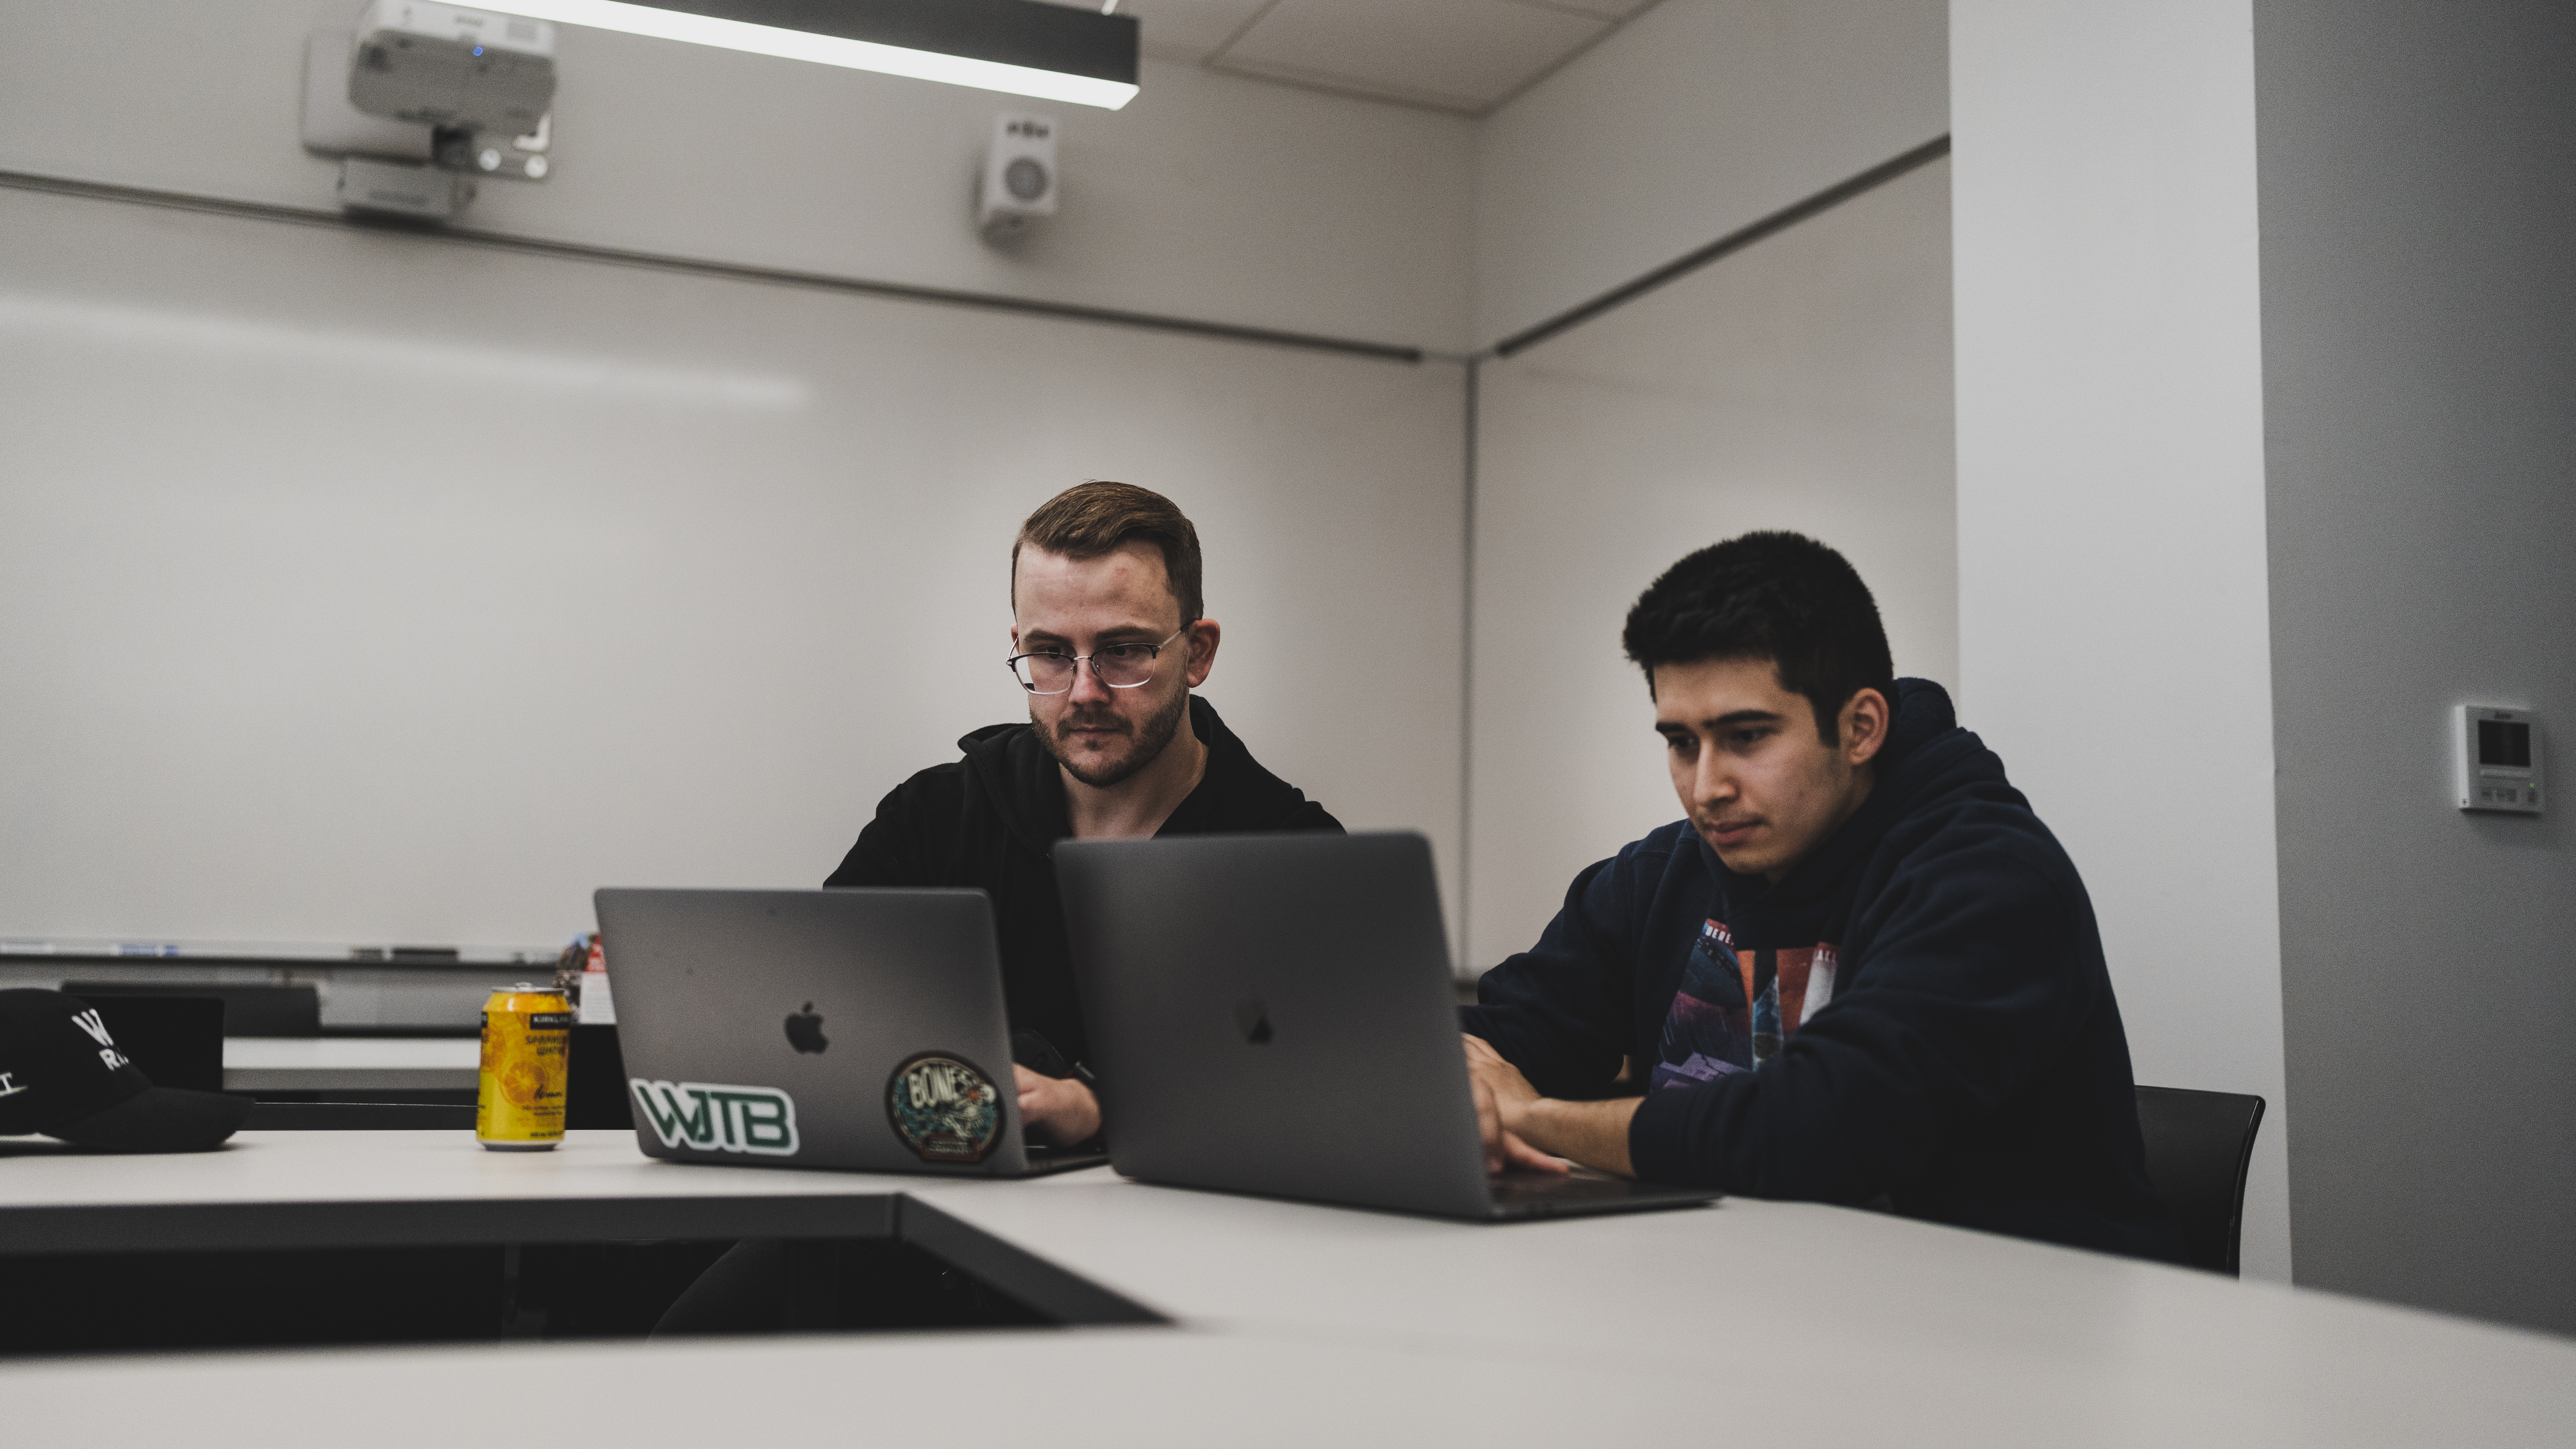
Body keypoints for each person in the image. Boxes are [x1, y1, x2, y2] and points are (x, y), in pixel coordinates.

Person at [1460, 531, 2183, 1262]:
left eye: (1746, 736)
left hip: (2020, 1331)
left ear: (1860, 727)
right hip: (1755, 1304)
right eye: (1681, 742)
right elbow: (1489, 1040)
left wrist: (1533, 1116)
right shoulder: (1656, 876)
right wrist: (1472, 1082)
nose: (1705, 786)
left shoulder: (1991, 879)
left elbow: (1820, 1128)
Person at [825, 480, 1341, 1148]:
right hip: (923, 1207)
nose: (1084, 692)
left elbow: (1323, 1096)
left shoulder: (1297, 858)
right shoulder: (933, 818)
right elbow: (825, 1023)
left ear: (1199, 652)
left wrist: (1105, 1111)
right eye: (1051, 653)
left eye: (1123, 651)